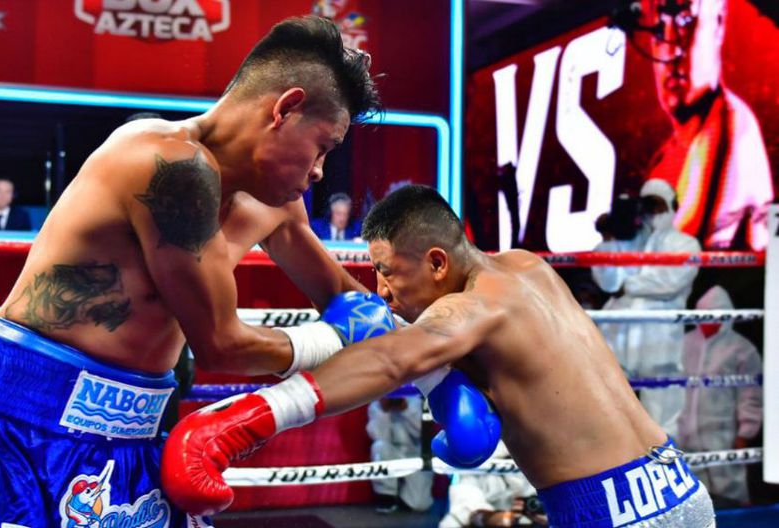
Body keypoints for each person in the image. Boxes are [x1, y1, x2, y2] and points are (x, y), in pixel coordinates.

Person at [0, 16, 395, 528]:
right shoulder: (168, 163)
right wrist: (336, 340)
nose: (319, 171)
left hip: (139, 436)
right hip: (22, 423)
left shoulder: (278, 203)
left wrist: (439, 355)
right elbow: (221, 344)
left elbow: (353, 306)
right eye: (322, 145)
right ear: (284, 109)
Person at [163, 185, 716, 527]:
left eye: (387, 271)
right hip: (678, 485)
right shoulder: (527, 266)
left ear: (435, 263)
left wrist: (244, 420)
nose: (381, 289)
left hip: (612, 512)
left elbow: (390, 360)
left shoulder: (468, 312)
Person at [644, 0, 773, 249]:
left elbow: (683, 248)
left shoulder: (731, 127)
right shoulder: (667, 157)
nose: (670, 51)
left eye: (685, 22)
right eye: (659, 32)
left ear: (718, 25)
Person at [592, 178, 701, 439]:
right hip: (618, 333)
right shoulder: (629, 239)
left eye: (657, 203)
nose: (652, 210)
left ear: (672, 205)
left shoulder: (685, 244)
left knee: (662, 413)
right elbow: (608, 282)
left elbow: (670, 282)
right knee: (608, 408)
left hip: (658, 337)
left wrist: (628, 285)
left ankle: (665, 462)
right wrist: (610, 238)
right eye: (647, 203)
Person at [679, 285, 763, 505]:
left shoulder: (741, 348)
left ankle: (736, 520)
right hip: (683, 429)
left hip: (723, 431)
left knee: (729, 487)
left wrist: (746, 431)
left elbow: (751, 393)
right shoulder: (684, 343)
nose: (709, 321)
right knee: (691, 489)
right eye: (705, 315)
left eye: (714, 316)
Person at [366, 396, 433, 514]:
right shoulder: (376, 404)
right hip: (391, 452)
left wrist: (406, 410)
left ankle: (403, 495)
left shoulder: (418, 400)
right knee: (379, 447)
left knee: (419, 504)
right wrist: (384, 411)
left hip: (416, 454)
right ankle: (386, 495)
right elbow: (378, 436)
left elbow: (423, 433)